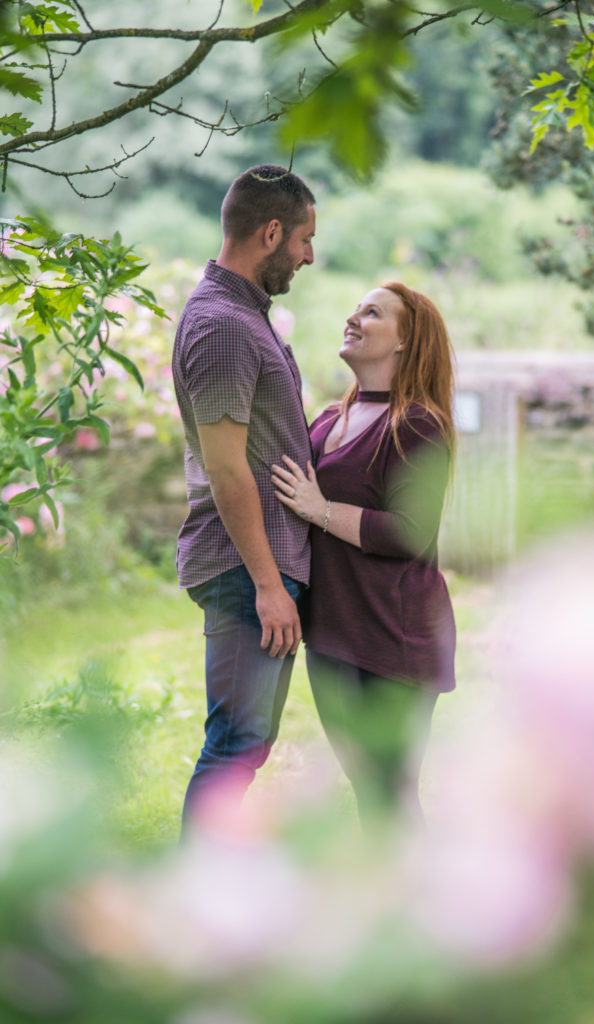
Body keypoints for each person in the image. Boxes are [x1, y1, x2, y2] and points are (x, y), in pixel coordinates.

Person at [271, 282, 456, 829]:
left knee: (389, 795)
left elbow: (409, 532)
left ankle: (417, 906)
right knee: (365, 789)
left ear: (404, 341)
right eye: (355, 308)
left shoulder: (420, 425)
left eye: (372, 313)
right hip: (332, 636)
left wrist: (319, 508)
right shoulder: (329, 419)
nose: (353, 318)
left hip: (396, 639)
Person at [172, 164, 316, 831]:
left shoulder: (242, 316)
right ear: (270, 232)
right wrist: (267, 583)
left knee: (248, 744)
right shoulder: (224, 325)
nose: (308, 256)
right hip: (243, 568)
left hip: (259, 563)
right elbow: (228, 470)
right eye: (303, 240)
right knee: (235, 743)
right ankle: (192, 902)